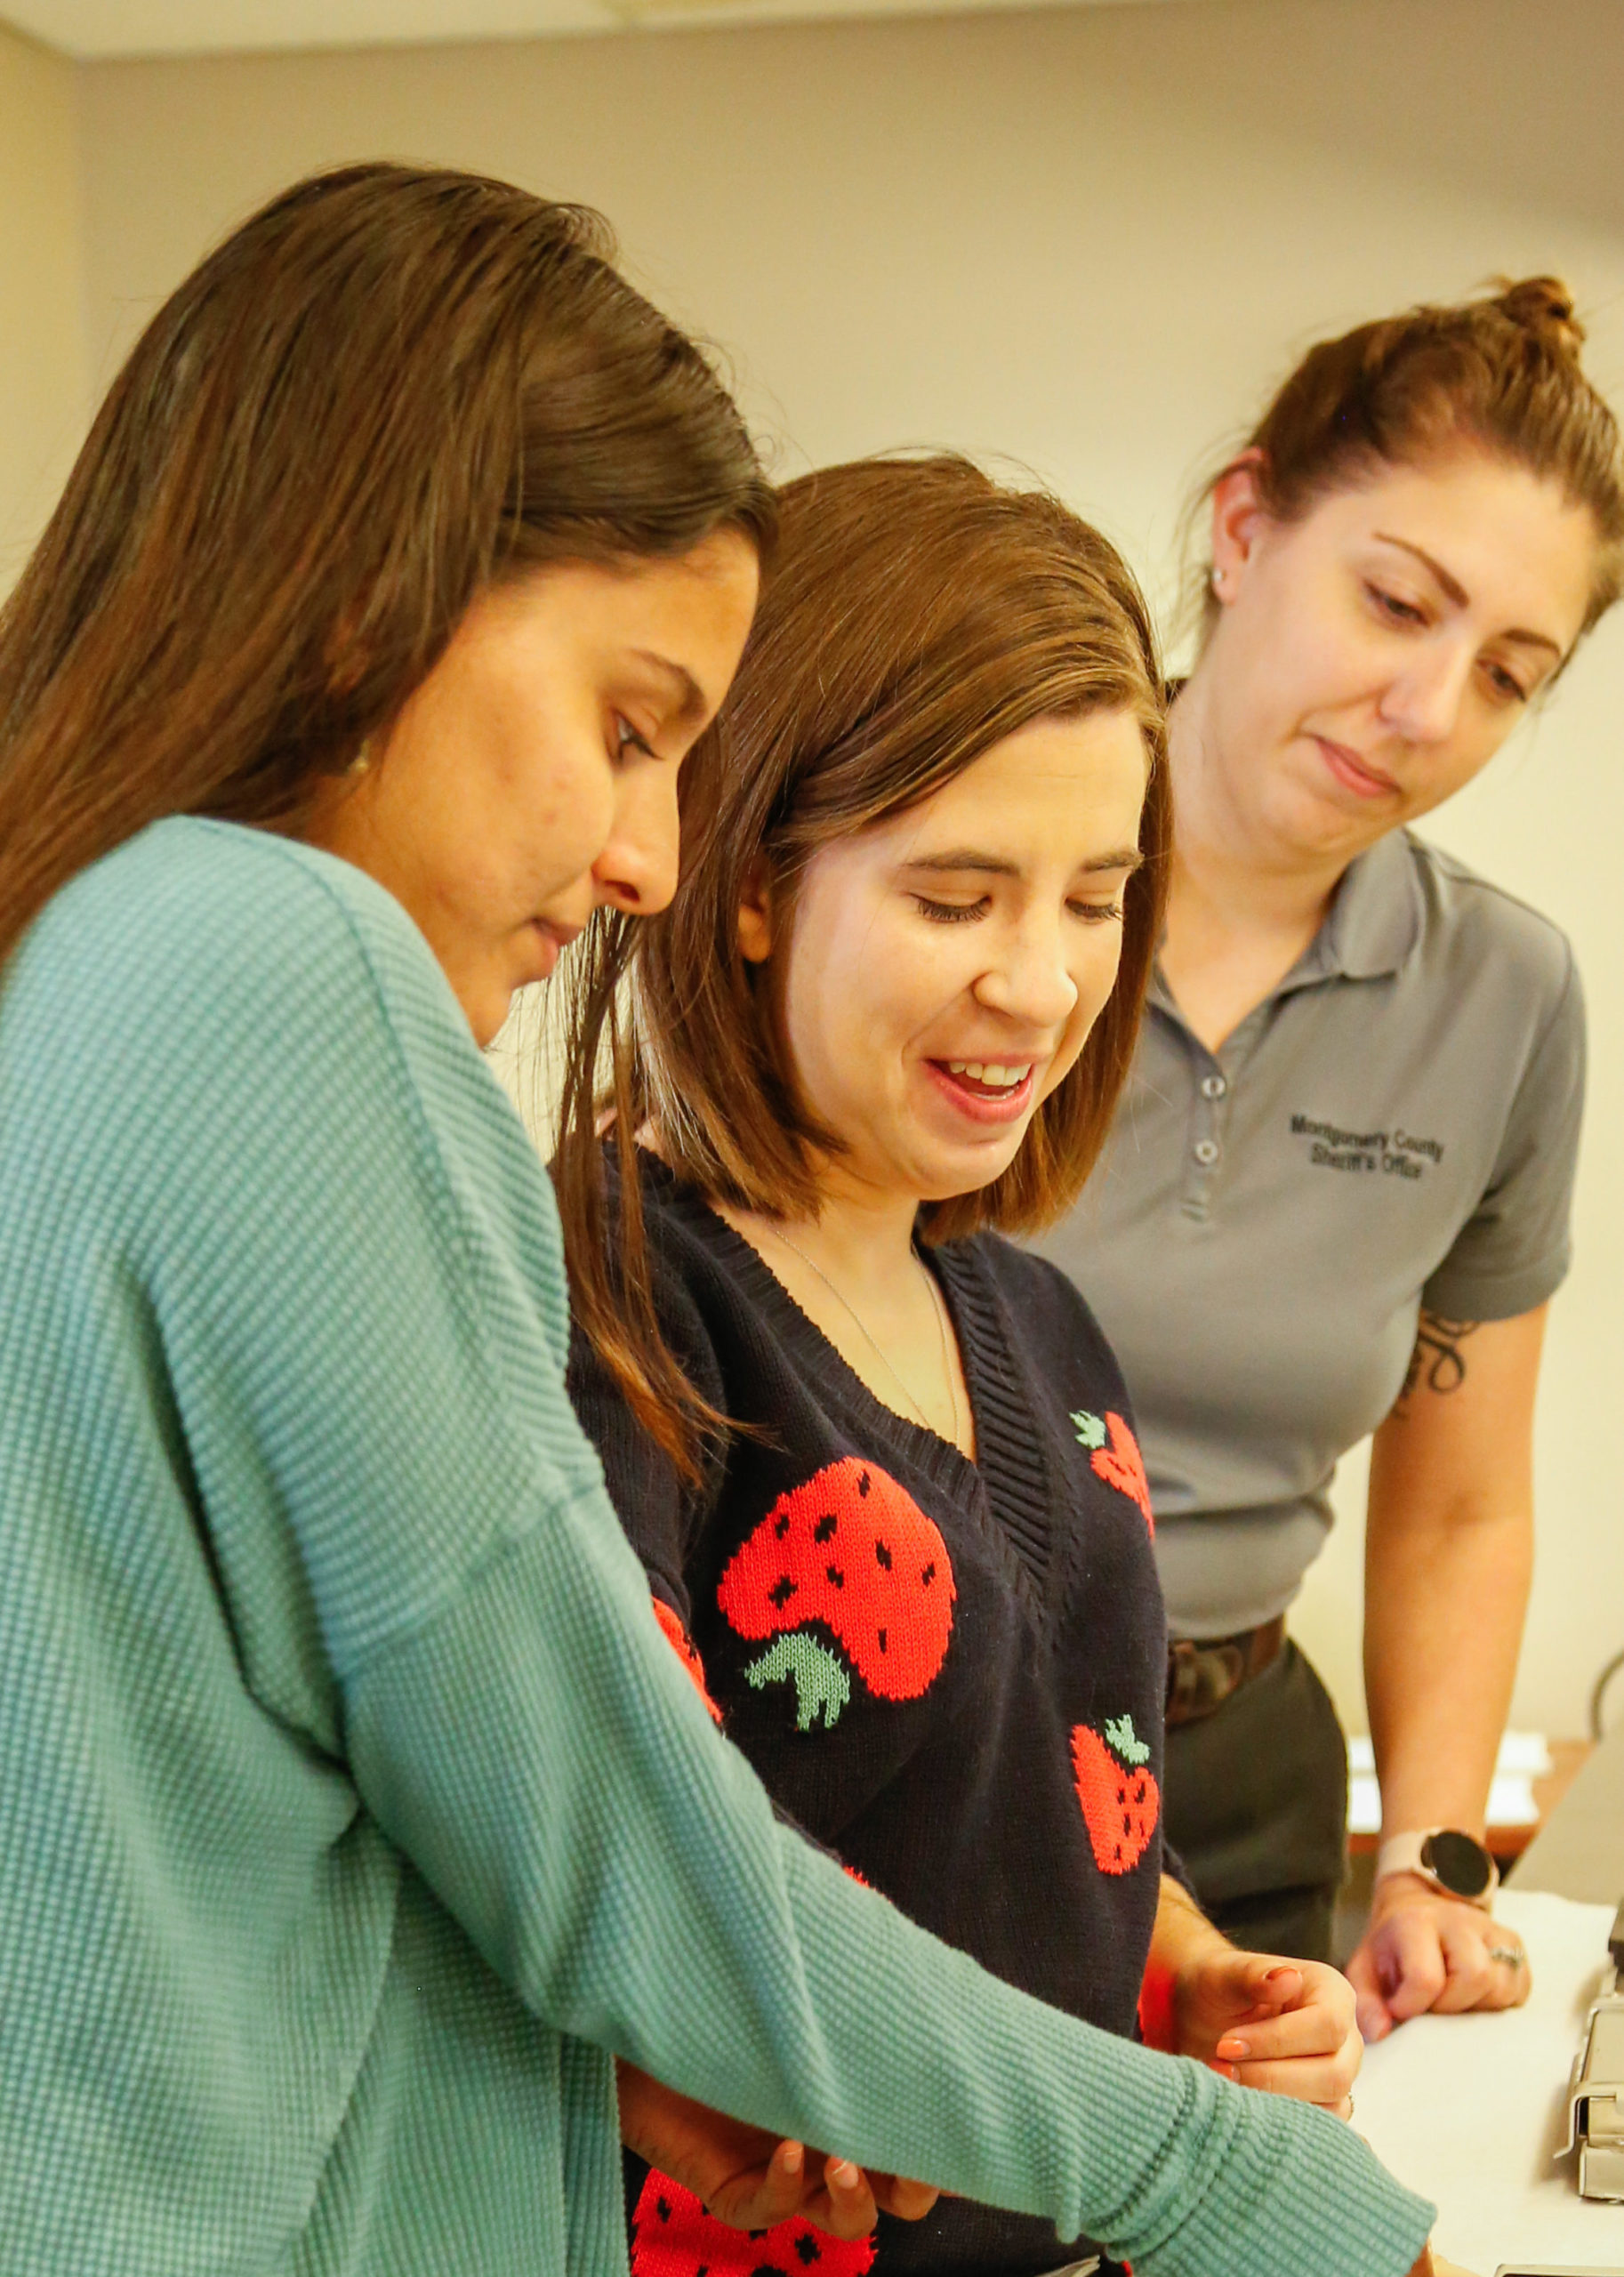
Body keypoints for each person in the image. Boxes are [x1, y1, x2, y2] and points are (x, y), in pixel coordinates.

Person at [0, 163, 1444, 2277]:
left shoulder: (84, 956)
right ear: (359, 602)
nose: (645, 857)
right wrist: (1230, 2180)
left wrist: (625, 2060)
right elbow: (611, 1841)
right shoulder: (275, 959)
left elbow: (255, 1803)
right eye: (622, 727)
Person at [560, 455, 1384, 2277]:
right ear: (753, 877)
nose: (1042, 981)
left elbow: (1048, 1815)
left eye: (1094, 898)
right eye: (956, 897)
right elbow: (616, 1885)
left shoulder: (1036, 1321)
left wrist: (1191, 1970)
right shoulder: (614, 1300)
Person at [1032, 278, 1624, 2036]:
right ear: (1240, 524)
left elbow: (1455, 1501)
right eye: (1392, 600)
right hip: (921, 1740)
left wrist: (1431, 1856)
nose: (1426, 704)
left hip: (1237, 1765)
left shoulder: (1499, 995)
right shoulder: (969, 884)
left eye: (1507, 672)